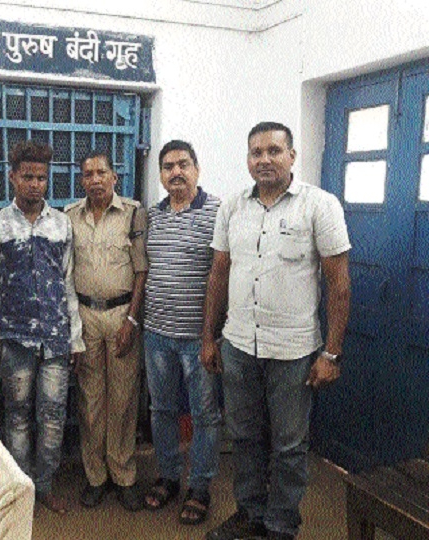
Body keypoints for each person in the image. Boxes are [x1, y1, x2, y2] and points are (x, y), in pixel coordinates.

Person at [202, 122, 351, 540]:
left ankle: (281, 525)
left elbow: (339, 284)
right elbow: (218, 274)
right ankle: (250, 514)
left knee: (289, 445)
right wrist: (208, 337)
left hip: (293, 351)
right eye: (256, 152)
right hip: (238, 345)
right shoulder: (232, 207)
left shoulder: (319, 205)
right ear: (248, 159)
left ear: (292, 156)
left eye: (274, 151)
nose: (264, 159)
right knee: (244, 437)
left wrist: (331, 353)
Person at [0, 140, 85, 514]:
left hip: (55, 338)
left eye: (41, 177)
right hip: (13, 338)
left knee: (53, 418)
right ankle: (22, 491)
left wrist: (75, 339)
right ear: (12, 177)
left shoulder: (62, 224)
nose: (35, 184)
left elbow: (68, 283)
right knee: (17, 416)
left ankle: (46, 486)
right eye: (27, 177)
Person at [142, 140, 223, 526]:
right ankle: (169, 477)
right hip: (156, 334)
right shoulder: (153, 216)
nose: (176, 172)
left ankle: (200, 486)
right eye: (168, 166)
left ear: (197, 169)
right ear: (160, 174)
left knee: (205, 414)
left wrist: (212, 335)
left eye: (183, 164)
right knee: (162, 410)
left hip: (198, 338)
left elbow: (222, 275)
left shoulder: (217, 212)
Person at [65, 151, 148, 512]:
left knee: (124, 399)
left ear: (115, 177)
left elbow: (142, 271)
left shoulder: (132, 213)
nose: (95, 179)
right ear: (82, 180)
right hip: (85, 315)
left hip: (121, 315)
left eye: (102, 172)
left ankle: (123, 475)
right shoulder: (70, 216)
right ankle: (96, 476)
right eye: (88, 174)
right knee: (90, 399)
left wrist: (132, 320)